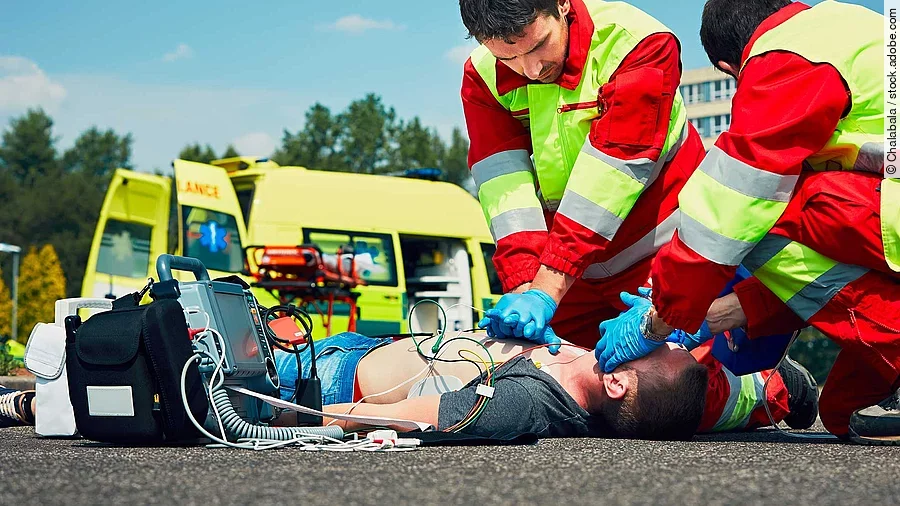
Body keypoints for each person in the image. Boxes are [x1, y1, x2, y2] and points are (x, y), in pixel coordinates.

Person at [459, 0, 706, 348]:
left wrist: (546, 290)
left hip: (661, 250)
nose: (530, 70)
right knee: (538, 370)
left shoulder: (636, 43)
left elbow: (613, 171)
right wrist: (524, 288)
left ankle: (776, 394)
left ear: (561, 4)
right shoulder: (481, 75)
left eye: (539, 45)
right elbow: (504, 185)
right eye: (508, 59)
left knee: (676, 380)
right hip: (569, 266)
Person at [599, 170, 900, 443]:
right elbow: (818, 282)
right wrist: (710, 316)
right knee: (843, 413)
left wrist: (664, 318)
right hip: (859, 212)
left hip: (870, 210)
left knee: (767, 227)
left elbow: (736, 210)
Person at [274, 332, 708, 439]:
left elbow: (387, 418)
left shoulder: (525, 403)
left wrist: (274, 418)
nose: (657, 335)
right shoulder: (589, 369)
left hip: (322, 380)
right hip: (355, 347)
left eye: (655, 347)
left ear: (615, 383)